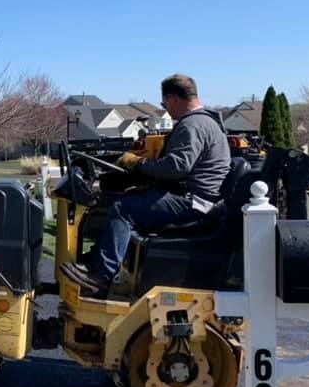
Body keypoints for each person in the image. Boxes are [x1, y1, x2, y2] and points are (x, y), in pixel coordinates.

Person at [61, 74, 230, 297]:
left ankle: (100, 276)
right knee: (125, 200)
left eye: (164, 104)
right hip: (197, 196)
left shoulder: (193, 125)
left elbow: (176, 167)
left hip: (193, 201)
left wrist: (137, 163)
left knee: (123, 209)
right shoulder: (206, 121)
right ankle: (101, 259)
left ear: (172, 98)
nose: (166, 109)